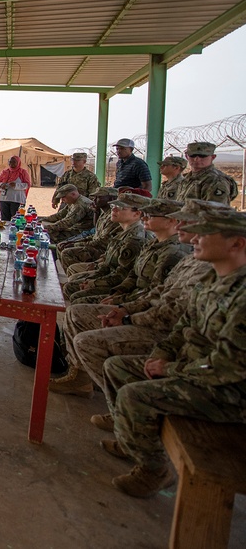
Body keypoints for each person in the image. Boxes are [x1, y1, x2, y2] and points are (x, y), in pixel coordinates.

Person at [101, 206, 246, 498]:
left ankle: (155, 469)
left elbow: (226, 368)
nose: (194, 239)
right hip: (192, 366)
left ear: (236, 243)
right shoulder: (212, 279)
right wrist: (163, 353)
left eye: (205, 233)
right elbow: (184, 324)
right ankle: (134, 439)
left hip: (230, 393)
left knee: (135, 397)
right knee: (117, 367)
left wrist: (168, 370)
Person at [62, 200, 213, 413]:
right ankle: (81, 377)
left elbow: (171, 313)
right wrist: (125, 307)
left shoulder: (180, 255)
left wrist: (127, 316)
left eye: (196, 229)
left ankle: (122, 409)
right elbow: (155, 290)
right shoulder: (189, 259)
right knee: (76, 310)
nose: (183, 229)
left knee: (88, 339)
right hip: (147, 313)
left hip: (165, 333)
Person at [62, 192, 148, 302]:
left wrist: (94, 282)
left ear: (136, 214)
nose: (114, 210)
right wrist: (97, 267)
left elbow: (121, 276)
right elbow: (109, 261)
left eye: (121, 207)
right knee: (72, 283)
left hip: (120, 286)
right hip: (109, 274)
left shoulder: (135, 238)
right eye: (113, 206)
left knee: (72, 289)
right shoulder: (122, 230)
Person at [0, 155, 31, 221]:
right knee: (4, 220)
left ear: (18, 163)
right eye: (10, 162)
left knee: (17, 220)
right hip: (4, 199)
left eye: (14, 162)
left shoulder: (22, 172)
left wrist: (16, 185)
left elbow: (27, 185)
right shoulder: (5, 172)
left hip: (17, 199)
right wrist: (1, 185)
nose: (11, 164)